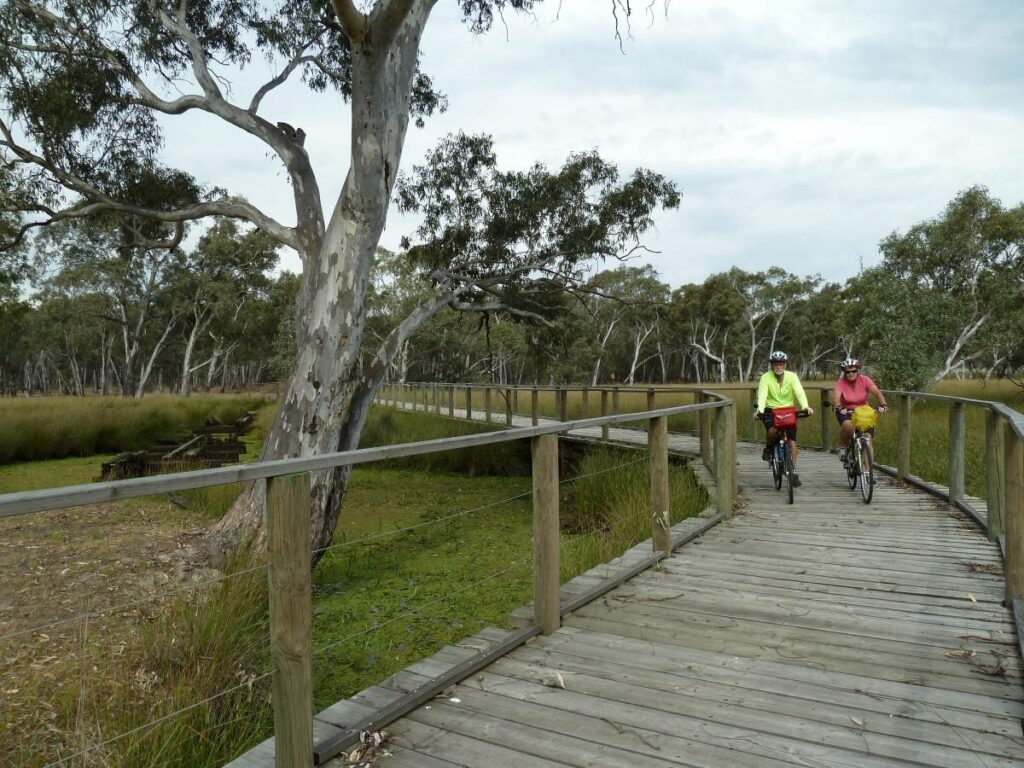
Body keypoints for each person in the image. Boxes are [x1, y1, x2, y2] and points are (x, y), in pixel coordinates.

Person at [755, 351, 813, 487]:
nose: (778, 367)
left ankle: (792, 470)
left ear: (785, 365)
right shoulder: (765, 377)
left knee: (792, 442)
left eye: (781, 364)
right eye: (775, 364)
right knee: (772, 432)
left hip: (788, 411)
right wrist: (759, 411)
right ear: (772, 365)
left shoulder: (792, 377)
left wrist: (806, 407)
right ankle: (769, 449)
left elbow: (799, 392)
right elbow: (762, 396)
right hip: (771, 410)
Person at [833, 357, 888, 463]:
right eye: (847, 372)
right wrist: (839, 407)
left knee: (868, 439)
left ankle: (868, 473)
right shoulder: (841, 382)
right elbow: (836, 397)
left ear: (857, 371)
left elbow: (877, 393)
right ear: (844, 372)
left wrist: (883, 404)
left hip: (864, 412)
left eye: (853, 371)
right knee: (848, 426)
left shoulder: (865, 380)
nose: (851, 373)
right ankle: (843, 448)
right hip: (847, 411)